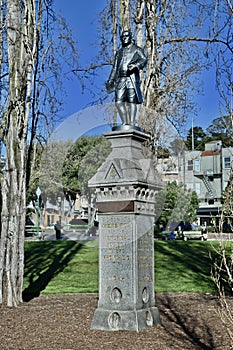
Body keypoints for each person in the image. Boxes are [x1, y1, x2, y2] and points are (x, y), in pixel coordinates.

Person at [106, 30, 147, 126]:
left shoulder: (137, 49)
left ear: (130, 37)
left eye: (126, 36)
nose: (124, 38)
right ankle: (125, 122)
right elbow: (115, 68)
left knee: (131, 101)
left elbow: (144, 60)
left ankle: (132, 123)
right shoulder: (119, 52)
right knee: (118, 102)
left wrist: (136, 65)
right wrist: (110, 80)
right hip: (121, 79)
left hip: (131, 79)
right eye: (122, 37)